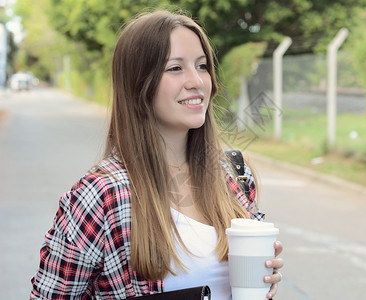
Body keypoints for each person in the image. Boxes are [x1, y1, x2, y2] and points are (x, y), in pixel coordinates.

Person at [30, 9, 284, 300]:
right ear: (139, 85)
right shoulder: (100, 195)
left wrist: (265, 278)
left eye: (202, 66)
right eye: (175, 68)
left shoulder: (235, 173)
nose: (197, 81)